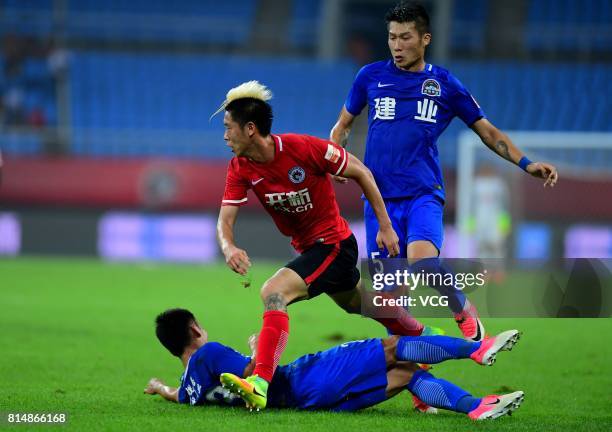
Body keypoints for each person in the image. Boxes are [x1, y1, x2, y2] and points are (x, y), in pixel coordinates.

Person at [216, 80, 456, 411]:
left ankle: (259, 382)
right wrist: (228, 246)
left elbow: (362, 172)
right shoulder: (240, 167)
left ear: (251, 129)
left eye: (229, 128)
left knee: (274, 292)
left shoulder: (304, 149)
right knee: (361, 304)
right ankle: (426, 335)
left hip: (335, 244)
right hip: (312, 251)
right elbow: (225, 219)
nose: (225, 136)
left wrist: (385, 226)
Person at [330, 1, 559, 341]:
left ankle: (461, 307)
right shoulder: (369, 77)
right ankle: (419, 384)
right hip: (378, 201)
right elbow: (342, 126)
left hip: (423, 193)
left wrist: (527, 164)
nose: (396, 45)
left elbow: (488, 132)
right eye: (392, 37)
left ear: (425, 38)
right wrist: (335, 155)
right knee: (393, 306)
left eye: (405, 37)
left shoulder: (445, 84)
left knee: (422, 261)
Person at [145, 308, 524, 420]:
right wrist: (259, 345)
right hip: (303, 378)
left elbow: (178, 395)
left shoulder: (190, 384)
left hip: (310, 402)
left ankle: (475, 408)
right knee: (393, 347)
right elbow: (252, 373)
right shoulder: (208, 354)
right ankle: (476, 348)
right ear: (195, 328)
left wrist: (160, 388)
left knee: (406, 375)